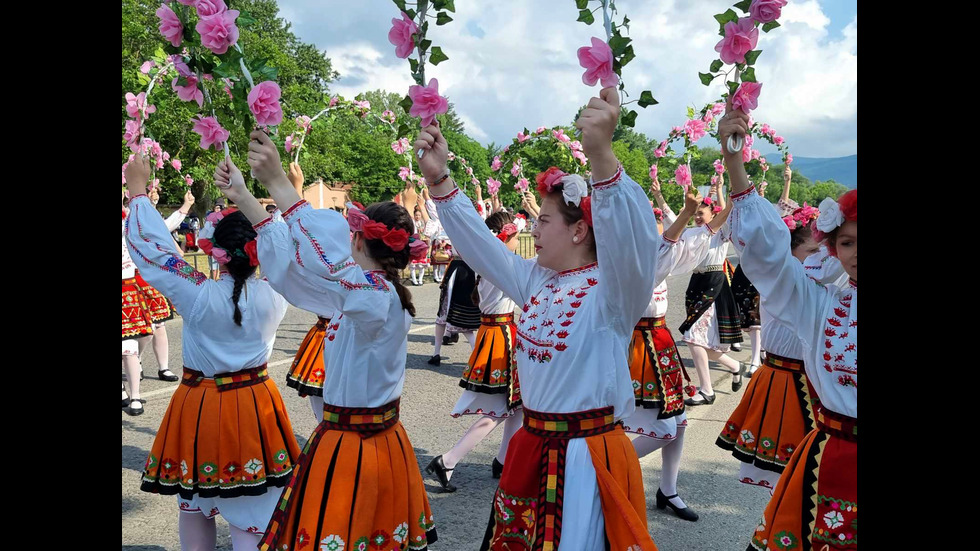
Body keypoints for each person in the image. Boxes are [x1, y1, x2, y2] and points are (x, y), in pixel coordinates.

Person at [419, 86, 658, 550]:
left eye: (544, 220)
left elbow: (634, 245)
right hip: (532, 446)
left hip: (587, 455)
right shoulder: (536, 281)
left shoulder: (613, 292)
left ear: (579, 230)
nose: (532, 228)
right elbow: (480, 246)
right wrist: (440, 180)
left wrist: (602, 157)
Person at [218, 131, 437, 551]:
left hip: (361, 446)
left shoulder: (373, 297)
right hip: (347, 438)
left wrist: (279, 183)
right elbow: (294, 273)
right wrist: (247, 196)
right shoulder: (358, 294)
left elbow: (320, 261)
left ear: (355, 239)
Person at [124, 156, 300, 550]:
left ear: (214, 249)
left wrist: (138, 192)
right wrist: (287, 189)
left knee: (196, 505)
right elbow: (285, 244)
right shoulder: (277, 291)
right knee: (253, 513)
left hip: (200, 404)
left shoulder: (198, 292)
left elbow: (151, 252)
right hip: (254, 404)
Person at [718, 105, 857, 551]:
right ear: (833, 246)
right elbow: (772, 260)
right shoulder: (822, 305)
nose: (856, 252)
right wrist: (734, 162)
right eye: (849, 241)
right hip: (830, 459)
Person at [716, 202, 824, 492]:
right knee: (789, 475)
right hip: (784, 381)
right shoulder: (783, 282)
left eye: (823, 252)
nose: (820, 259)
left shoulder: (823, 286)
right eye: (812, 252)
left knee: (813, 473)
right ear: (789, 255)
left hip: (814, 382)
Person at [626, 183, 719, 522]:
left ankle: (668, 490)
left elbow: (695, 239)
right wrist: (682, 213)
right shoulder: (636, 262)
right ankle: (607, 465)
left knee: (679, 424)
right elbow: (668, 247)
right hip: (639, 345)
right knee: (661, 428)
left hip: (660, 341)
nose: (656, 231)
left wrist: (734, 201)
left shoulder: (659, 255)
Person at [426, 212, 524, 492]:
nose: (518, 242)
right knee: (501, 408)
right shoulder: (501, 264)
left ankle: (503, 460)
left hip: (499, 333)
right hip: (500, 335)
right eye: (516, 236)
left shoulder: (490, 262)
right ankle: (448, 459)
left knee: (516, 404)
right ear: (506, 238)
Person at [678, 178, 748, 406]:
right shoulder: (693, 233)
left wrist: (725, 199)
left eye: (702, 213)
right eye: (696, 213)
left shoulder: (720, 233)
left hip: (714, 282)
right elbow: (672, 220)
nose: (698, 217)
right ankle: (736, 366)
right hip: (696, 282)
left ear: (712, 215)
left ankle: (707, 390)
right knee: (701, 344)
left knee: (693, 338)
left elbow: (726, 217)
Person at [136, 189, 196, 384]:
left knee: (159, 325)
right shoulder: (129, 219)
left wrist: (186, 206)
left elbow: (164, 226)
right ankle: (135, 360)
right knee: (142, 328)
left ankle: (164, 367)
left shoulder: (148, 219)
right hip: (132, 279)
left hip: (151, 278)